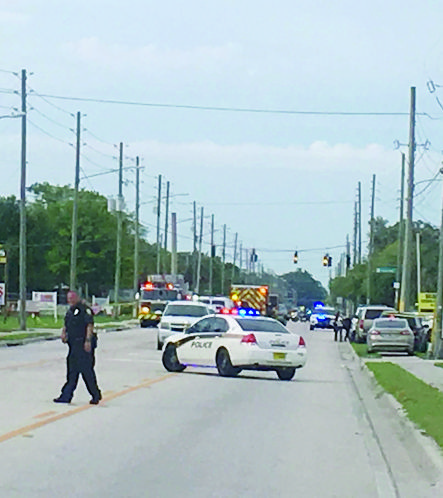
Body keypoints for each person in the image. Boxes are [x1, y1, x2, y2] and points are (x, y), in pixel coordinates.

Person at [54, 291, 102, 405]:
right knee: (72, 372)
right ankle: (66, 395)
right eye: (68, 298)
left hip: (83, 344)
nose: (69, 300)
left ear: (77, 298)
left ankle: (95, 394)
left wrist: (88, 340)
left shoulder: (84, 310)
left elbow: (89, 325)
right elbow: (66, 324)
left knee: (87, 372)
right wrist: (64, 333)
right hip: (73, 345)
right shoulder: (71, 310)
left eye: (71, 298)